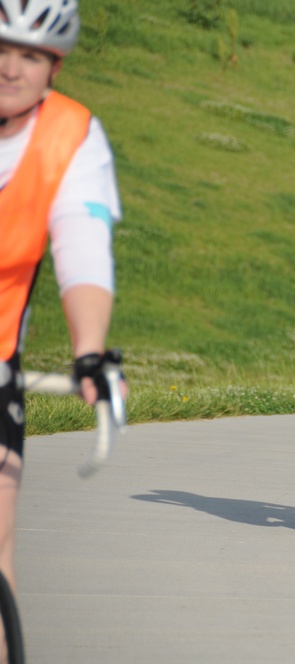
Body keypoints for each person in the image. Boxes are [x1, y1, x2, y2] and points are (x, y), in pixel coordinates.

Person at [0, 0, 123, 591]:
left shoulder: (71, 135)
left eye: (29, 55)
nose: (9, 68)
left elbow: (83, 250)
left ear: (55, 66)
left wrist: (90, 353)